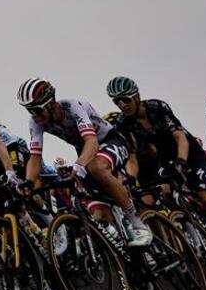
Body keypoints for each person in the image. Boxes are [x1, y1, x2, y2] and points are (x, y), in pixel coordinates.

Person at [106, 77, 206, 278]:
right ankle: (190, 221)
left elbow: (179, 136)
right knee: (165, 192)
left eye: (125, 100)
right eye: (116, 102)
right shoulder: (124, 123)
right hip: (164, 157)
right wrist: (130, 178)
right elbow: (133, 157)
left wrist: (182, 161)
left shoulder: (157, 107)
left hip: (188, 151)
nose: (122, 105)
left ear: (137, 96)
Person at [14, 78, 151, 247]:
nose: (35, 115)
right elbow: (35, 157)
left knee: (97, 167)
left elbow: (91, 141)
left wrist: (79, 165)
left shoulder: (72, 106)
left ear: (50, 104)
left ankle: (137, 223)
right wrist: (28, 182)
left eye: (36, 109)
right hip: (85, 151)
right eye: (29, 111)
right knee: (99, 214)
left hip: (108, 140)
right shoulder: (36, 122)